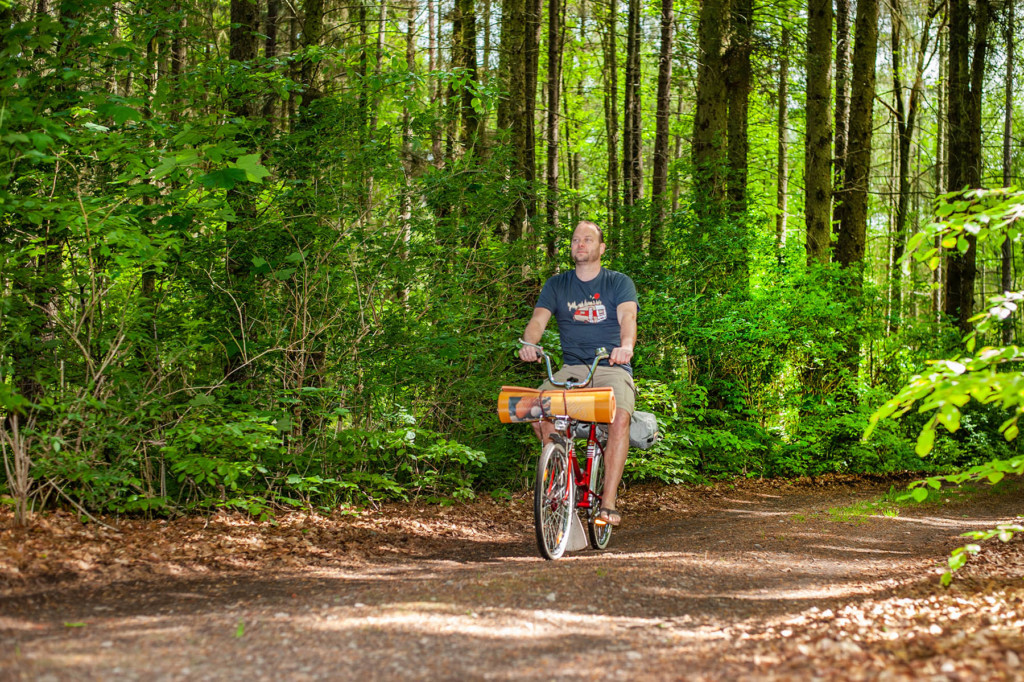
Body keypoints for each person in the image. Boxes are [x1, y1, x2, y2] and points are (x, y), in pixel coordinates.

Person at [518, 220, 638, 527]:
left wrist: (625, 347)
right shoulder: (557, 285)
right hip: (572, 367)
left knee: (620, 416)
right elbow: (538, 320)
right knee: (534, 410)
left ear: (601, 248)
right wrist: (529, 343)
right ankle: (563, 477)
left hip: (610, 365)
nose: (580, 244)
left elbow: (627, 316)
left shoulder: (617, 282)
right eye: (575, 240)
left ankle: (608, 503)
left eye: (587, 239)